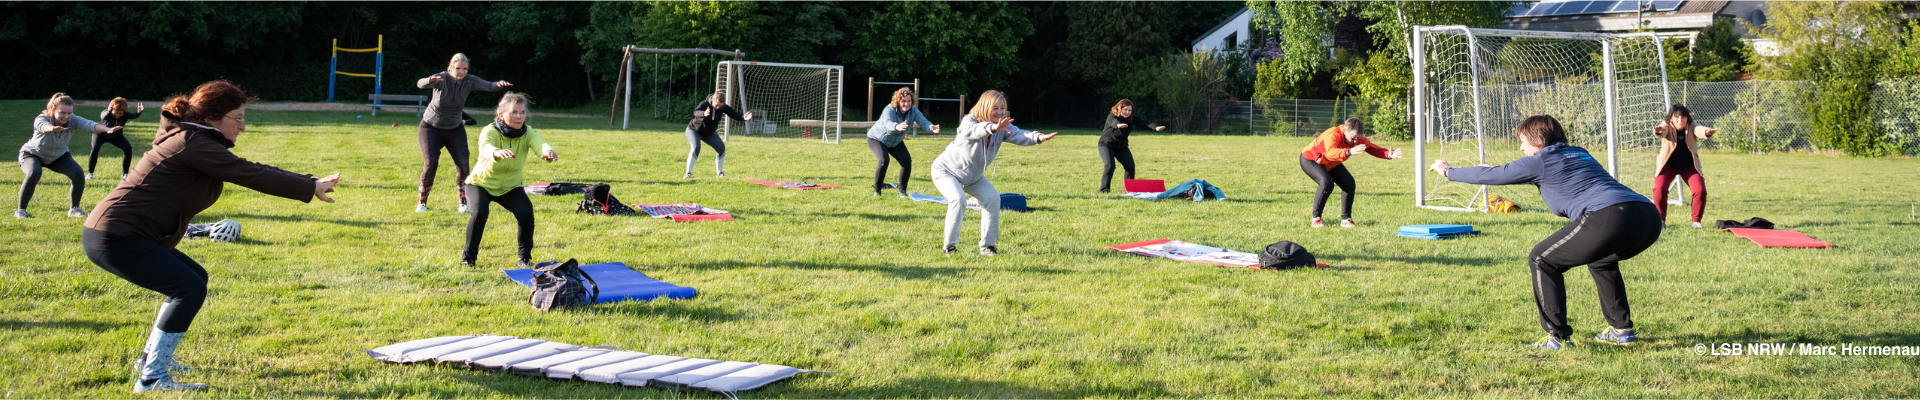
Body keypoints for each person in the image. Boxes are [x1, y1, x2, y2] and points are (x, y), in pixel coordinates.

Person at [82, 80, 341, 392]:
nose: (243, 127)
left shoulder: (194, 137)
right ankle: (151, 379)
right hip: (116, 236)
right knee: (188, 289)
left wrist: (308, 182)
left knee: (194, 277)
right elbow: (249, 173)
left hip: (118, 233)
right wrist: (308, 187)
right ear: (213, 117)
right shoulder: (193, 143)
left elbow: (248, 167)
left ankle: (150, 359)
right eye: (238, 118)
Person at [1428, 115, 1659, 350]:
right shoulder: (1579, 153)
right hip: (1647, 217)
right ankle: (1621, 331)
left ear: (1538, 141)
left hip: (1610, 216)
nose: (1520, 147)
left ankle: (1556, 338)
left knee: (1542, 259)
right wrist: (1501, 171)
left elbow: (1500, 174)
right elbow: (1536, 174)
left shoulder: (1540, 161)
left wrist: (1449, 172)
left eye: (1523, 142)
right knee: (1600, 261)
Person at [931, 90, 1058, 256]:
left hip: (973, 177)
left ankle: (987, 247)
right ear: (985, 107)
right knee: (958, 199)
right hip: (946, 171)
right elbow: (972, 131)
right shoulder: (968, 121)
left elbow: (1019, 134)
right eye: (995, 108)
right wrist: (992, 127)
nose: (999, 112)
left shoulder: (1002, 126)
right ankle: (950, 248)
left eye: (1002, 108)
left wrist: (1038, 137)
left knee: (992, 198)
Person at [462, 92, 556, 268]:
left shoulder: (527, 132)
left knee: (526, 213)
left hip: (511, 187)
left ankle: (525, 259)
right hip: (480, 184)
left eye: (522, 112)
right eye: (514, 112)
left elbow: (540, 143)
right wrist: (495, 152)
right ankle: (469, 259)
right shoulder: (489, 130)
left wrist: (547, 151)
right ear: (501, 115)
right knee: (480, 213)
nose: (519, 116)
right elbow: (486, 146)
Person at [415, 53, 511, 213]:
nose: (461, 72)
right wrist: (429, 80)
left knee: (464, 165)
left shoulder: (469, 80)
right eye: (458, 68)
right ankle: (422, 203)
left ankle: (463, 203)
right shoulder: (441, 78)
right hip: (430, 127)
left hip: (455, 129)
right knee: (430, 163)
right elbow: (420, 84)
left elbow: (489, 85)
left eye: (464, 69)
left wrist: (499, 84)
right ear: (450, 67)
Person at [19, 93, 123, 219]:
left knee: (78, 173)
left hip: (58, 156)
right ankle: (21, 211)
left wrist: (107, 129)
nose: (66, 116)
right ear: (53, 110)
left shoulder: (72, 120)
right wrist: (52, 128)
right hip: (32, 154)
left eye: (69, 113)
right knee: (34, 173)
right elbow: (42, 126)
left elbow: (88, 124)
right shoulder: (43, 118)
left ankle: (74, 209)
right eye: (62, 113)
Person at [1298, 118, 1402, 228]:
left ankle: (1346, 219)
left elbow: (1372, 148)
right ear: (1345, 131)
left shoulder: (1358, 138)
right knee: (1326, 183)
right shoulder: (1333, 134)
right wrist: (1349, 151)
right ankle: (1316, 219)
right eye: (1353, 138)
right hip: (1311, 159)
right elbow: (1330, 153)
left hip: (1331, 162)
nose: (1355, 141)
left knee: (1349, 183)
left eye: (1358, 138)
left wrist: (1388, 154)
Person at [866, 87, 940, 196]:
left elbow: (923, 121)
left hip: (895, 142)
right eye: (903, 101)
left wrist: (931, 127)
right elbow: (887, 123)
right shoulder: (889, 109)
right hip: (877, 139)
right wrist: (897, 126)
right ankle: (877, 190)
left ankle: (902, 192)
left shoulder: (913, 111)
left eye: (909, 101)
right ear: (898, 101)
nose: (906, 104)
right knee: (884, 160)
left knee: (906, 161)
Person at [1652, 104, 1716, 229]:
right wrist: (1658, 131)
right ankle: (1660, 221)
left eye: (1683, 117)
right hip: (1668, 165)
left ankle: (1696, 222)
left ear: (1687, 118)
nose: (1680, 120)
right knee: (1659, 189)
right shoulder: (1666, 125)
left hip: (1689, 166)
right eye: (1676, 117)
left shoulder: (1692, 125)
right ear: (1671, 118)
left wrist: (1706, 132)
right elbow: (1662, 131)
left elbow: (1699, 129)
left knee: (1700, 190)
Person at [1097, 99, 1164, 193]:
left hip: (1121, 146)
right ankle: (1104, 190)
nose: (1128, 112)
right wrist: (1118, 125)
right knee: (1110, 165)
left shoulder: (1131, 118)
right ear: (1120, 108)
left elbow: (1144, 123)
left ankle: (1130, 190)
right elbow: (1113, 121)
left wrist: (1155, 127)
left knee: (1130, 166)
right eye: (1125, 110)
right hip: (1106, 145)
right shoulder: (1112, 115)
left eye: (1130, 110)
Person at [684, 90, 752, 179]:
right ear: (713, 100)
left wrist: (743, 118)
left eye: (720, 106)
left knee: (721, 147)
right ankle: (688, 173)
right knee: (696, 147)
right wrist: (704, 114)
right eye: (716, 105)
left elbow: (733, 114)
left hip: (709, 133)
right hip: (694, 130)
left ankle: (720, 173)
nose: (717, 107)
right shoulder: (705, 104)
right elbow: (696, 112)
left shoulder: (722, 107)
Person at [89, 97, 145, 181]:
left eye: (120, 113)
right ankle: (90, 174)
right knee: (95, 148)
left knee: (128, 149)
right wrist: (108, 111)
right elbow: (103, 116)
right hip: (100, 135)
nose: (118, 115)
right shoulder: (106, 113)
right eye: (116, 112)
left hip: (116, 136)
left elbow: (133, 115)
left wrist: (139, 112)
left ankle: (125, 174)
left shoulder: (124, 114)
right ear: (111, 109)